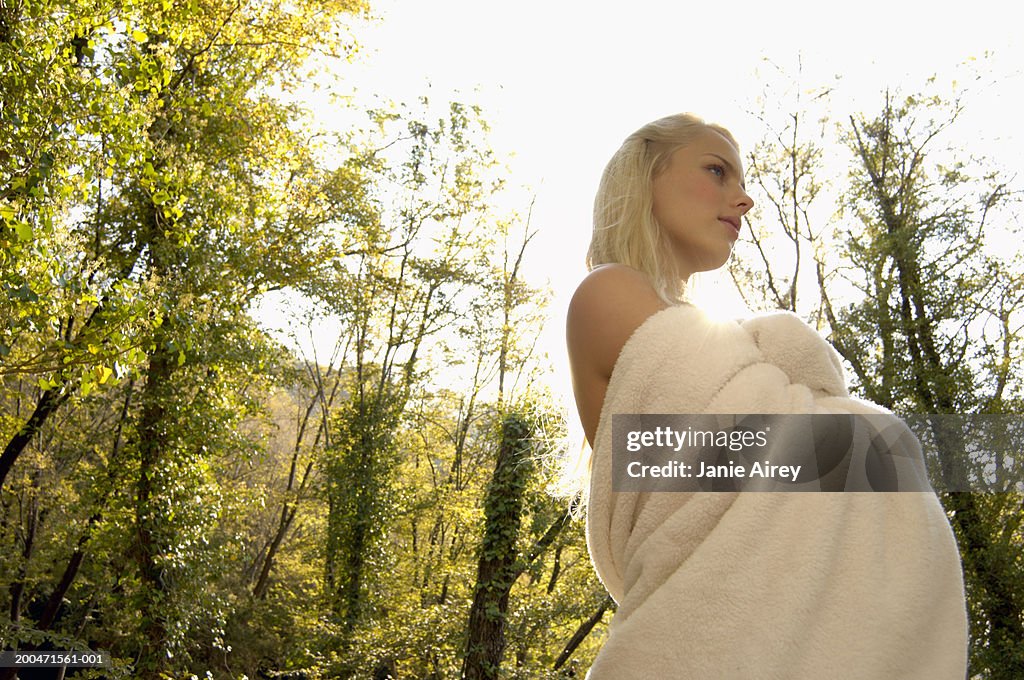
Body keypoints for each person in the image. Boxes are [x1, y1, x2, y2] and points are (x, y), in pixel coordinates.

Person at [565, 113, 968, 679]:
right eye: (717, 171)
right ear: (645, 177)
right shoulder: (607, 289)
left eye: (741, 179)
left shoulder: (707, 336)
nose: (745, 198)